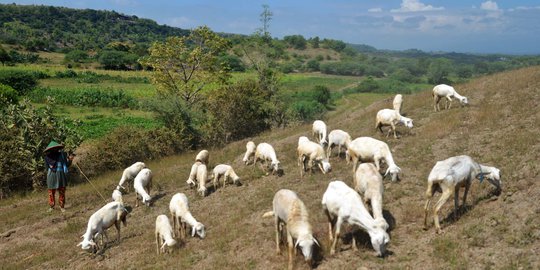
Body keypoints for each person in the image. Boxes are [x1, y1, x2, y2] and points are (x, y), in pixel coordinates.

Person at [44, 141, 74, 213]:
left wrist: (70, 160)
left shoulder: (62, 155)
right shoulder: (47, 157)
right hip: (51, 175)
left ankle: (62, 206)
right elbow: (46, 168)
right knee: (51, 192)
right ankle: (52, 206)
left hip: (60, 175)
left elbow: (66, 164)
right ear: (50, 150)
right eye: (53, 149)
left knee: (62, 191)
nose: (55, 150)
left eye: (56, 148)